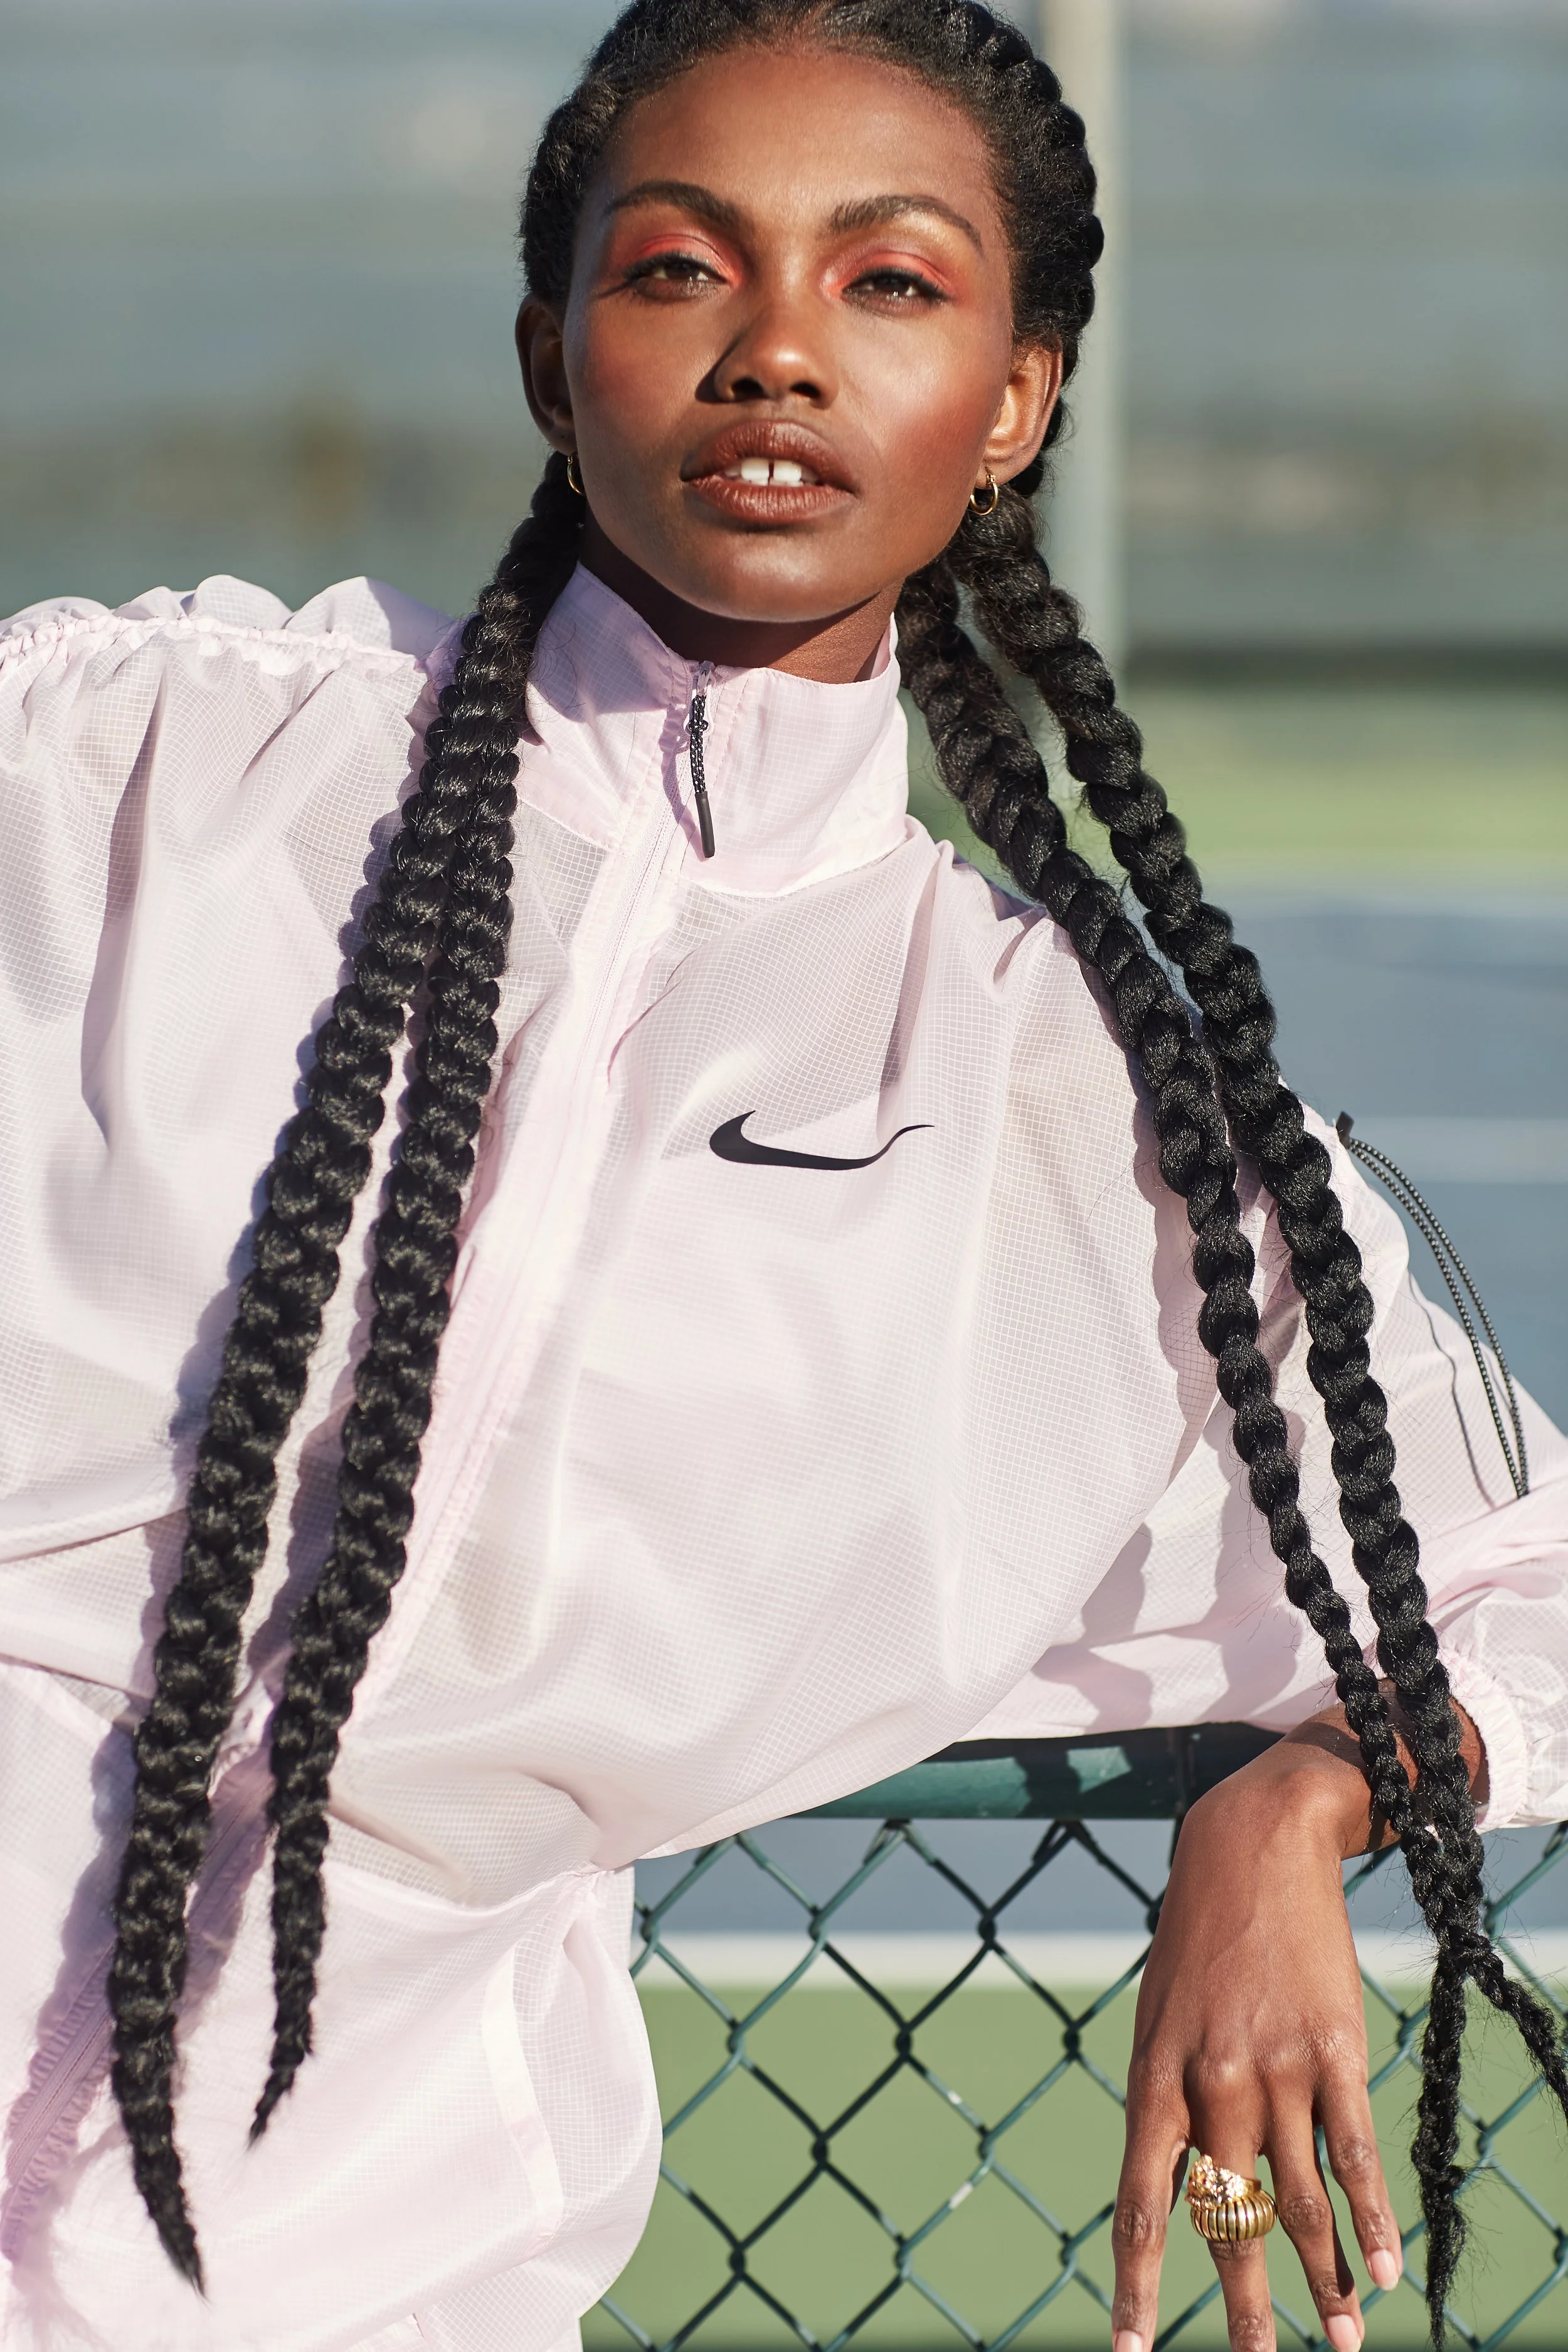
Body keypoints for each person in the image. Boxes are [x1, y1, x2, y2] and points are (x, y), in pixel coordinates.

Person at [1, 4, 1565, 2349]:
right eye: (677, 271)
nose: (773, 356)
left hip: (354, 2277)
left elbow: (1518, 1579)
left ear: (1020, 395)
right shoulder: (137, 766)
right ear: (551, 358)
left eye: (893, 283)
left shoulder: (1075, 1112)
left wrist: (1296, 1807)